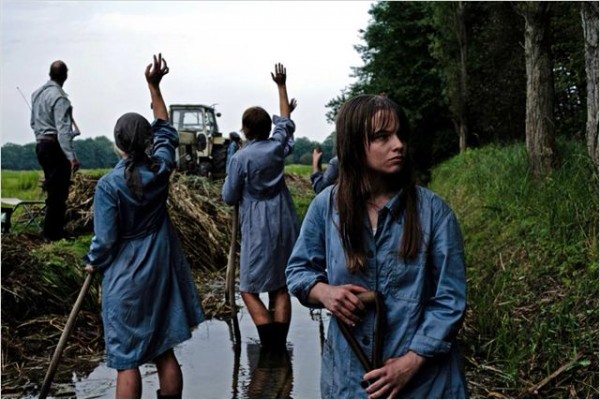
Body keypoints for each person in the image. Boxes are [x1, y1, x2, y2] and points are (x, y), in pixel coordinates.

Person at [286, 94, 468, 398]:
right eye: (382, 137)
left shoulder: (435, 214)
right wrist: (325, 293)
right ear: (354, 145)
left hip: (424, 385)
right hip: (348, 382)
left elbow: (450, 300)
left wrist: (410, 363)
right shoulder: (325, 208)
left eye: (400, 135)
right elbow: (298, 269)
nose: (398, 145)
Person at [84, 54, 205, 399]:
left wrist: (93, 260)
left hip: (127, 276)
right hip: (160, 265)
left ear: (118, 144)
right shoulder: (162, 167)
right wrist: (154, 86)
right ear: (147, 143)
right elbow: (165, 127)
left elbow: (105, 240)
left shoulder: (109, 185)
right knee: (164, 348)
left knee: (126, 359)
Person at [222, 63, 299, 352]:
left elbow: (230, 197)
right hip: (284, 217)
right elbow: (285, 123)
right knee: (280, 284)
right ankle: (279, 344)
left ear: (244, 130)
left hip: (258, 224)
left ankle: (271, 344)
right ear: (266, 129)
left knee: (248, 287)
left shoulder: (240, 158)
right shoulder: (277, 146)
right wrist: (281, 85)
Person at [30, 60, 81, 241]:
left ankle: (50, 232)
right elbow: (63, 130)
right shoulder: (60, 98)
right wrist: (72, 157)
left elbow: (33, 123)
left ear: (50, 74)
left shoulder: (36, 94)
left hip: (41, 146)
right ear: (65, 76)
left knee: (52, 190)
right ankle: (53, 234)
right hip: (54, 147)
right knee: (59, 193)